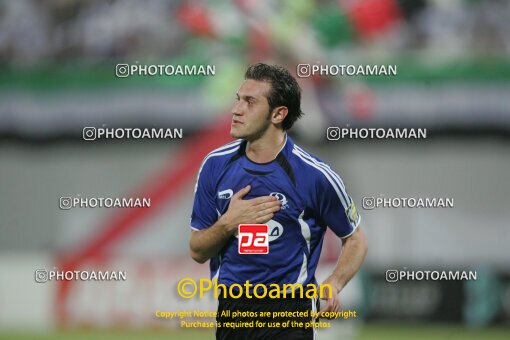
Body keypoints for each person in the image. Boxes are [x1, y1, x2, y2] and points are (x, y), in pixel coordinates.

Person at [189, 63, 368, 339]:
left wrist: (333, 283)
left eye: (250, 102)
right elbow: (198, 251)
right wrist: (227, 223)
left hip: (290, 314)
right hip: (232, 313)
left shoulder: (315, 175)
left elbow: (355, 239)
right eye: (238, 99)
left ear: (278, 113)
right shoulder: (214, 166)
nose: (236, 110)